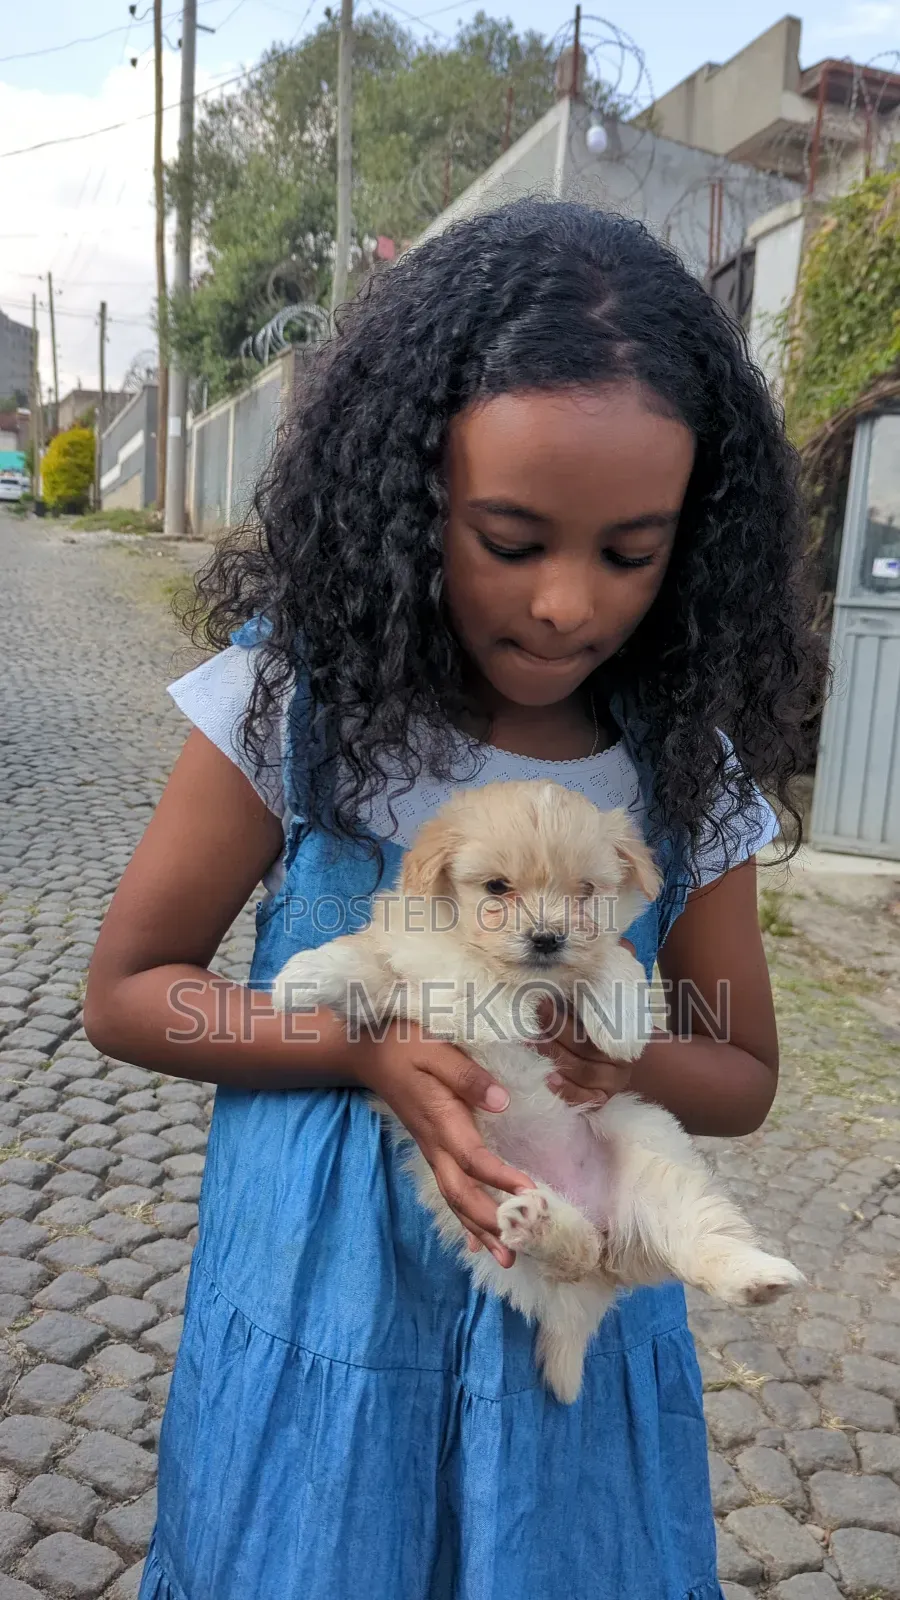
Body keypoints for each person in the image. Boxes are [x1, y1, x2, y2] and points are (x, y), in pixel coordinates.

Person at [85, 199, 825, 1600]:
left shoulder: (682, 768)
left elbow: (741, 1070)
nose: (564, 604)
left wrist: (617, 1056)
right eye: (509, 536)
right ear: (409, 492)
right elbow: (130, 989)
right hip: (319, 1322)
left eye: (629, 551)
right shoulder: (294, 707)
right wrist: (358, 1046)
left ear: (695, 542)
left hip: (570, 1354)